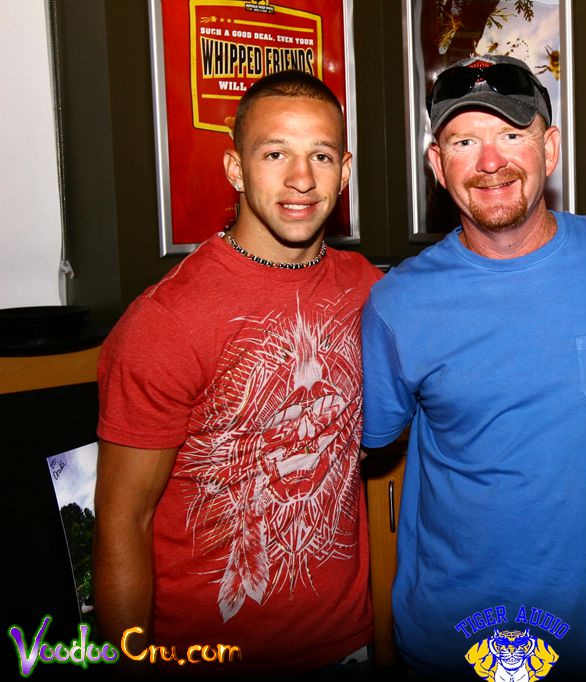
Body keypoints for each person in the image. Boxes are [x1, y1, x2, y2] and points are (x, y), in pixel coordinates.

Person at [361, 55, 586, 680]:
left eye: (512, 134)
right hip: (454, 634)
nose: (490, 161)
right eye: (464, 141)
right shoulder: (397, 302)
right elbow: (371, 449)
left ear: (550, 149)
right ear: (437, 166)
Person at [94, 70, 379, 675]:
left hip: (346, 643)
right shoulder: (166, 321)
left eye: (321, 155)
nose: (301, 179)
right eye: (275, 154)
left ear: (344, 172)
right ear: (235, 169)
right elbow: (123, 521)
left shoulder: (369, 291)